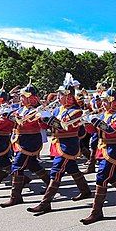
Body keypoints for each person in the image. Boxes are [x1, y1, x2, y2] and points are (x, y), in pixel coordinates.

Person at [26, 78, 93, 214]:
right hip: (58, 144)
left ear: (68, 96)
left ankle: (45, 203)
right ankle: (85, 191)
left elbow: (64, 127)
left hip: (68, 145)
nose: (58, 97)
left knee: (56, 172)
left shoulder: (76, 111)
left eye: (61, 94)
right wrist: (41, 118)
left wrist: (49, 118)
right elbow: (47, 126)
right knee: (73, 169)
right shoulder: (58, 109)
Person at [79, 87, 116, 224]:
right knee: (111, 177)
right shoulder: (103, 114)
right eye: (103, 101)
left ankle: (96, 211)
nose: (103, 104)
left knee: (101, 177)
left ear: (114, 102)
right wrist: (87, 122)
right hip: (102, 148)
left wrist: (96, 122)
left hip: (113, 149)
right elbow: (93, 131)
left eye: (106, 101)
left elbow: (112, 131)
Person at [0, 82, 51, 208]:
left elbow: (42, 125)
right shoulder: (21, 108)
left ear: (31, 97)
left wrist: (42, 115)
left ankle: (15, 197)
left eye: (23, 96)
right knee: (33, 165)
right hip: (20, 139)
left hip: (30, 140)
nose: (20, 98)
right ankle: (51, 184)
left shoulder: (36, 110)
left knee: (16, 167)